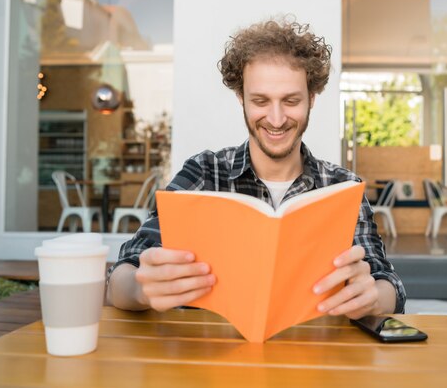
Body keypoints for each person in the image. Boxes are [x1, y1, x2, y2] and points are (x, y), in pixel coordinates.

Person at [106, 18, 406, 319]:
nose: (276, 119)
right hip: (210, 356)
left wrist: (372, 297)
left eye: (291, 101)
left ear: (312, 99)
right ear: (241, 99)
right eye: (261, 101)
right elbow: (121, 277)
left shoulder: (342, 186)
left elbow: (389, 285)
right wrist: (140, 290)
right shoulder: (203, 173)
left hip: (314, 355)